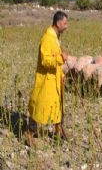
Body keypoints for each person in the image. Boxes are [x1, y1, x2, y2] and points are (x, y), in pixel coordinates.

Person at [26, 11, 68, 146]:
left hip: (55, 79)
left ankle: (58, 131)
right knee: (40, 107)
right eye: (65, 23)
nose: (66, 26)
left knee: (58, 105)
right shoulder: (47, 37)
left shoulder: (55, 36)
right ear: (58, 23)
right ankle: (29, 134)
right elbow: (45, 60)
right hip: (46, 81)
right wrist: (61, 58)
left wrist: (61, 74)